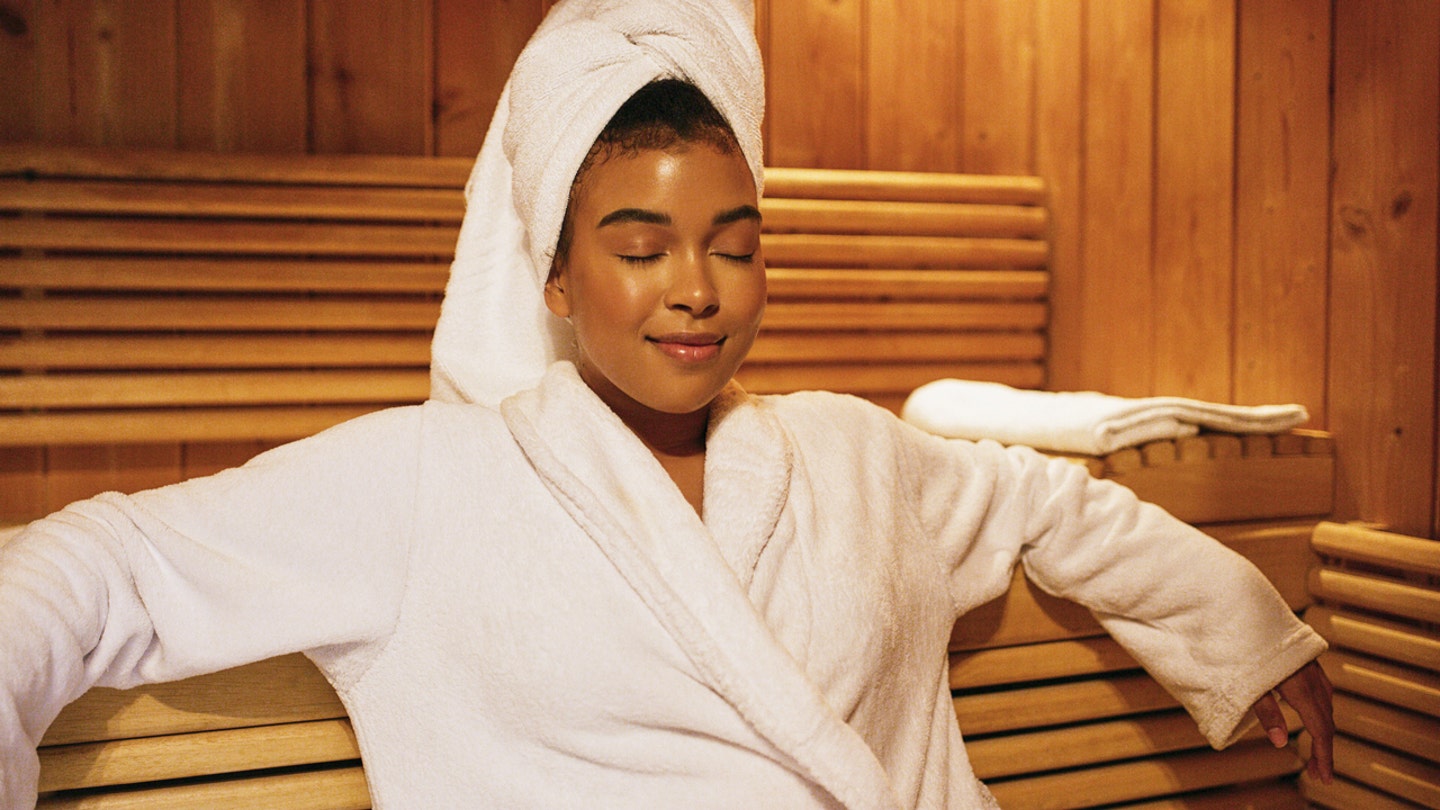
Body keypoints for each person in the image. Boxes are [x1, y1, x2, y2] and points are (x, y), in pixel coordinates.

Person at [0, 1, 1332, 808]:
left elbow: (1049, 500)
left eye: (736, 242)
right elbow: (112, 562)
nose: (696, 289)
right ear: (559, 281)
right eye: (640, 247)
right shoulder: (429, 486)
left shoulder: (852, 453)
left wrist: (1247, 638)